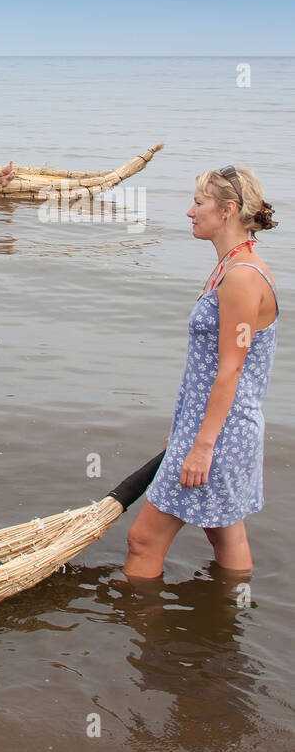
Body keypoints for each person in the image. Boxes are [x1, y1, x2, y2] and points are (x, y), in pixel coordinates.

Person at [126, 166, 278, 578]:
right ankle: (228, 624)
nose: (189, 212)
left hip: (222, 434)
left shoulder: (242, 277)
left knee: (143, 541)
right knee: (223, 532)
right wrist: (184, 430)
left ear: (228, 210)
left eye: (198, 203)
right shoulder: (231, 267)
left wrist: (201, 445)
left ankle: (139, 634)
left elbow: (231, 369)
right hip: (217, 427)